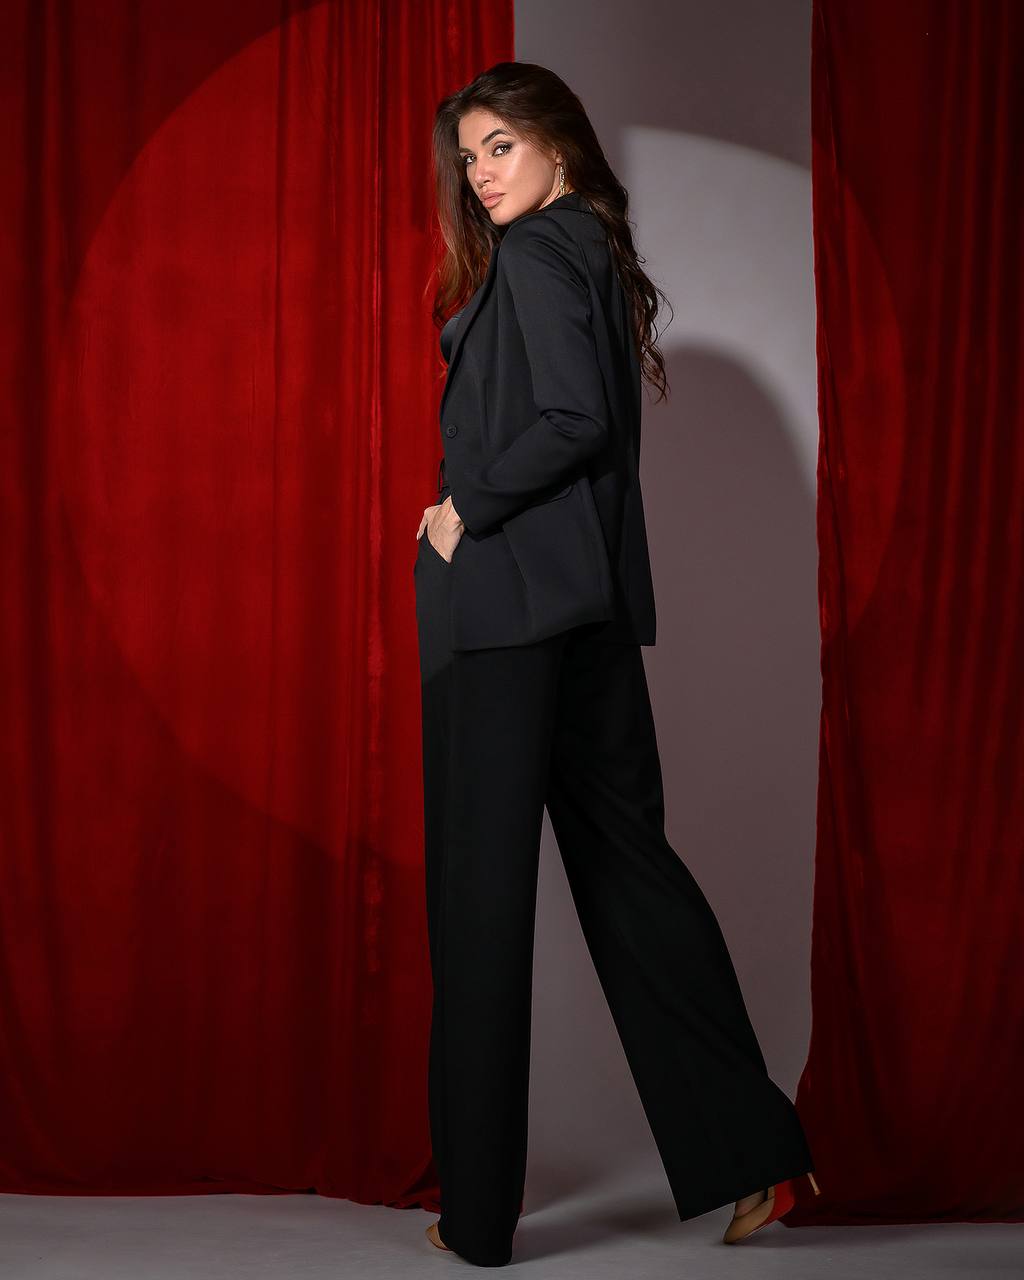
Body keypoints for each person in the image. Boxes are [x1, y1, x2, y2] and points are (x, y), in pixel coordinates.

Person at [413, 61, 819, 1268]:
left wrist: (460, 508)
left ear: (555, 142)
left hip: (508, 618)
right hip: (585, 616)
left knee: (480, 910)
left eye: (498, 146)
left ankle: (478, 1219)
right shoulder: (585, 246)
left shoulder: (539, 252)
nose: (480, 174)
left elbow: (572, 418)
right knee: (632, 875)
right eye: (468, 157)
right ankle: (753, 1155)